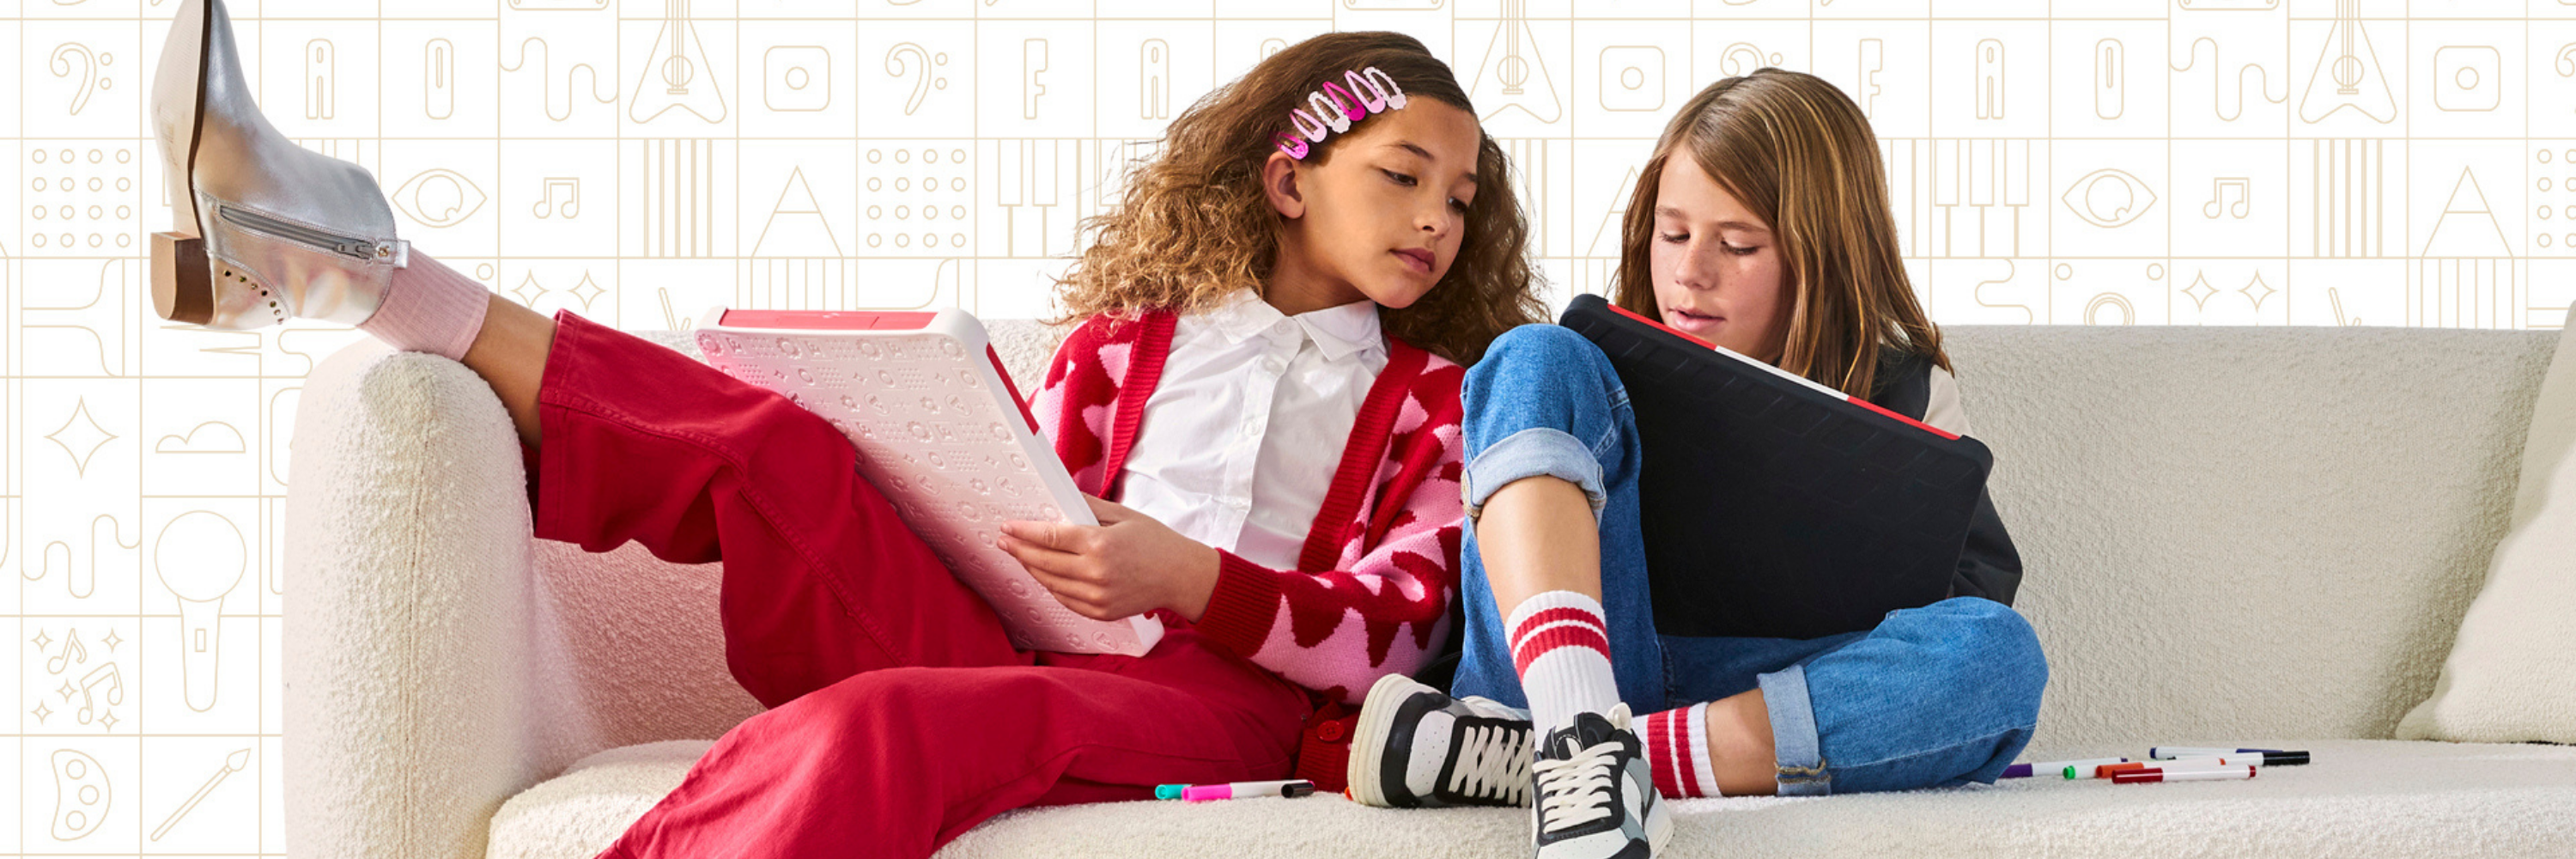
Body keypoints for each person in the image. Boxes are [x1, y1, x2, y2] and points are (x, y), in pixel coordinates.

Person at [144, 4, 1542, 856]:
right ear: (1291, 178)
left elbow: (1394, 629)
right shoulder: (1127, 348)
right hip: (1029, 634)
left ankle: (334, 260)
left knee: (891, 725)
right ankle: (342, 266)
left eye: (1462, 196)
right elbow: (1029, 489)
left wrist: (1187, 580)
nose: (1437, 218)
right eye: (1403, 173)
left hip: (1219, 700)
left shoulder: (1437, 400)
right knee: (769, 451)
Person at [1343, 69, 2048, 859]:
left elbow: (1965, 595)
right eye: (1673, 235)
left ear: (1826, 256)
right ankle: (1575, 730)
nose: (1688, 273)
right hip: (1561, 670)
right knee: (1532, 354)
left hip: (1768, 697)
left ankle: (1572, 760)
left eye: (1738, 245)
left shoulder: (1903, 387)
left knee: (1998, 654)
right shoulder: (1593, 374)